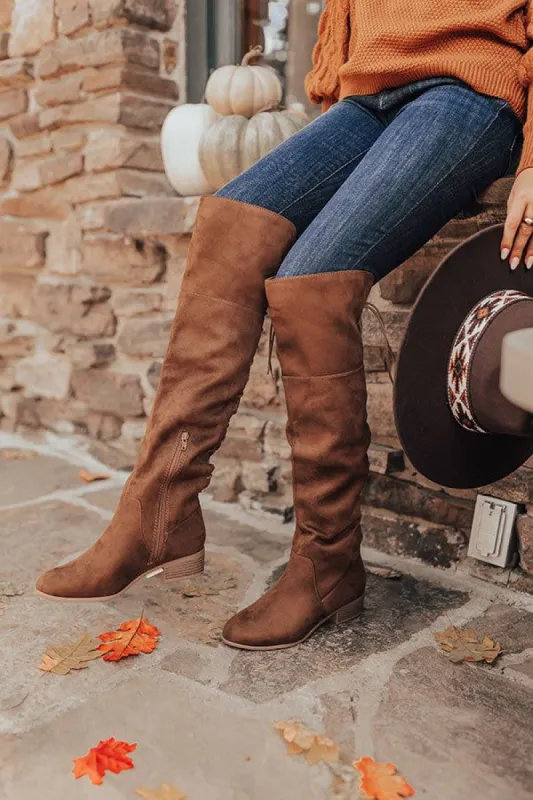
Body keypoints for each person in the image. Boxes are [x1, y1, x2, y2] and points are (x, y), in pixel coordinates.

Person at [36, 1, 533, 651]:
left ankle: (328, 562)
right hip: (366, 98)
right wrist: (331, 86)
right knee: (229, 225)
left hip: (470, 92)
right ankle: (159, 510)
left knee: (312, 277)